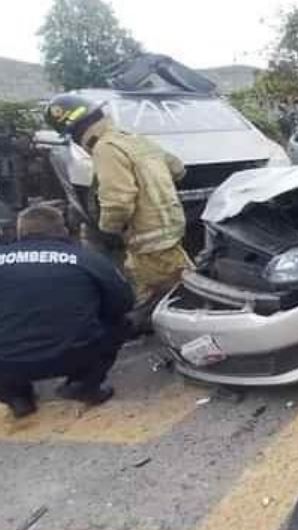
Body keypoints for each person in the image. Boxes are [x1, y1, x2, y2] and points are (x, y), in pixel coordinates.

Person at [43, 93, 190, 314]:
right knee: (183, 283)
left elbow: (118, 201)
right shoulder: (133, 139)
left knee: (158, 301)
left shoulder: (105, 148)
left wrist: (108, 230)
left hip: (147, 240)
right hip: (170, 229)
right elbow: (178, 169)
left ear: (76, 132)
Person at [0, 205, 134, 418]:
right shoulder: (86, 258)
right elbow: (124, 302)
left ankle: (16, 397)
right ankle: (84, 384)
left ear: (19, 232)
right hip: (74, 353)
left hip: (6, 362)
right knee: (122, 323)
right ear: (63, 230)